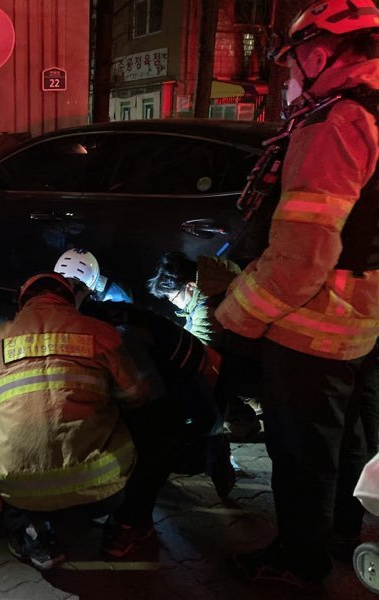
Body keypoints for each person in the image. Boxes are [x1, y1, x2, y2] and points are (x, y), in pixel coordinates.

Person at [215, 0, 379, 588]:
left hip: (312, 326)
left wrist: (236, 313)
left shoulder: (333, 124)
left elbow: (302, 257)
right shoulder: (373, 113)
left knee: (302, 456)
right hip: (362, 322)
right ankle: (343, 534)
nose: (288, 75)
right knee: (350, 441)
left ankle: (299, 562)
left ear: (317, 53)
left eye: (289, 63)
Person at [0, 271, 148, 570]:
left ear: (23, 303)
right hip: (101, 491)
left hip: (19, 490)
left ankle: (27, 530)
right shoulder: (101, 333)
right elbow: (136, 395)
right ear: (70, 301)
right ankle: (120, 526)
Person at [57, 250, 232, 555]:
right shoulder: (99, 320)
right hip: (165, 382)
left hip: (185, 391)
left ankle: (130, 524)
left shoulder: (120, 330)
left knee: (157, 448)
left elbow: (147, 393)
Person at [148, 251, 261, 441]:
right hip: (254, 361)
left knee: (198, 371)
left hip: (253, 368)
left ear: (190, 287)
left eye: (174, 299)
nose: (177, 306)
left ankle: (242, 420)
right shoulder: (217, 283)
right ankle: (251, 404)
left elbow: (198, 349)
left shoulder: (209, 305)